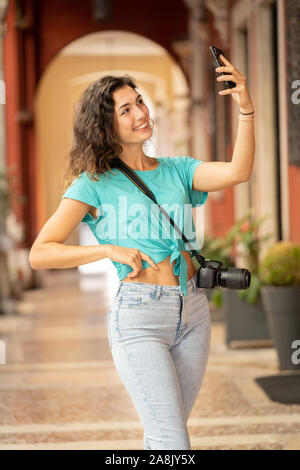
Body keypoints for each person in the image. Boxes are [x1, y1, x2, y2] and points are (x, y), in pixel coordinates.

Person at [29, 55, 255, 450]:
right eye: (126, 109)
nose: (140, 113)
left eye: (140, 102)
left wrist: (246, 109)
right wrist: (107, 249)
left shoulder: (179, 170)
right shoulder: (93, 183)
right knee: (173, 440)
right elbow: (41, 252)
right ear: (106, 124)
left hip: (193, 313)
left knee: (164, 435)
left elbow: (238, 172)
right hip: (139, 318)